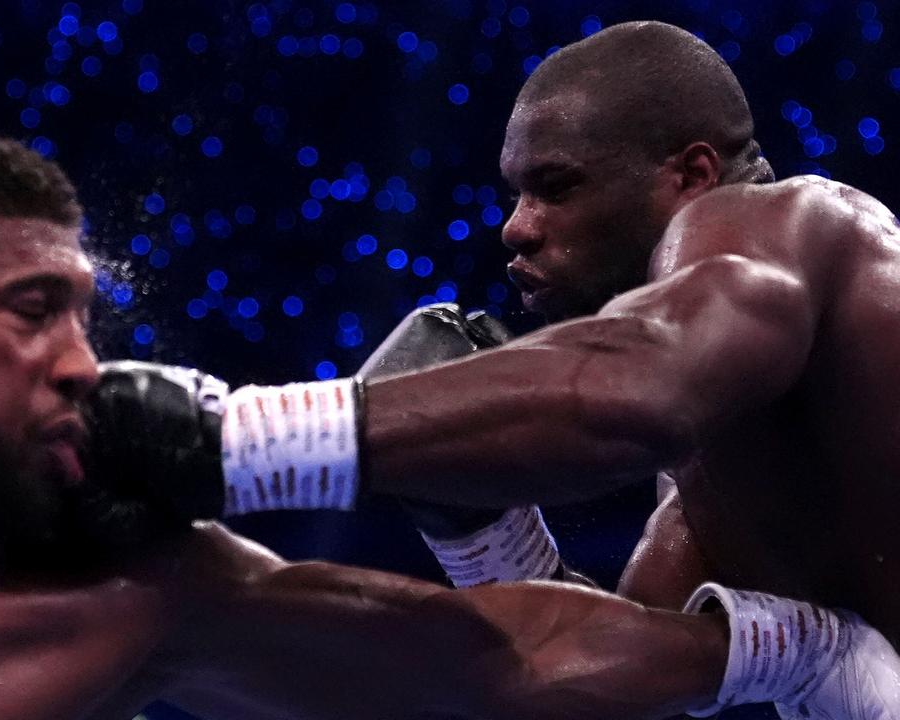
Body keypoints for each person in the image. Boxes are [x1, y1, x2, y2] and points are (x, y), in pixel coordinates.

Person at [0, 123, 887, 720]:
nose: (79, 364)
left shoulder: (140, 589)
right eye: (28, 313)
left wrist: (792, 652)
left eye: (80, 316)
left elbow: (495, 662)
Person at [82, 21, 900, 716]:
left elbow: (641, 385)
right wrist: (485, 532)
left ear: (689, 175)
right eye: (516, 196)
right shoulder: (711, 487)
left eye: (556, 188)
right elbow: (587, 673)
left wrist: (230, 443)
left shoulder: (791, 221)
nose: (517, 229)